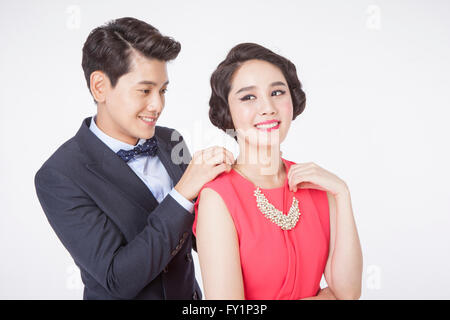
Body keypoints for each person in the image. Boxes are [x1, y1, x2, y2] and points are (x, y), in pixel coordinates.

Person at [34, 17, 234, 300]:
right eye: (145, 91)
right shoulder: (59, 175)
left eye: (163, 90)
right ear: (100, 87)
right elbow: (118, 278)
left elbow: (205, 239)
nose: (158, 105)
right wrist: (182, 195)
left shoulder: (170, 139)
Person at [193, 43, 363, 300]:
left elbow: (348, 294)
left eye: (277, 92)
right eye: (248, 97)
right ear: (227, 112)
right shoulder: (218, 196)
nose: (268, 107)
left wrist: (342, 193)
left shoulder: (318, 184)